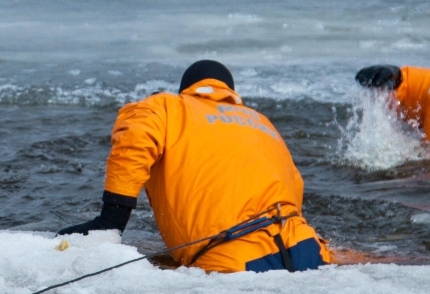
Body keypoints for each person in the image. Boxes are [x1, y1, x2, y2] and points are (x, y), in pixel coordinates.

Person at [59, 59, 367, 273]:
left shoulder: (167, 106)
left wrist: (111, 221)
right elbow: (293, 187)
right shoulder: (261, 121)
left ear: (186, 89)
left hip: (233, 259)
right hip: (307, 248)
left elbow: (134, 141)